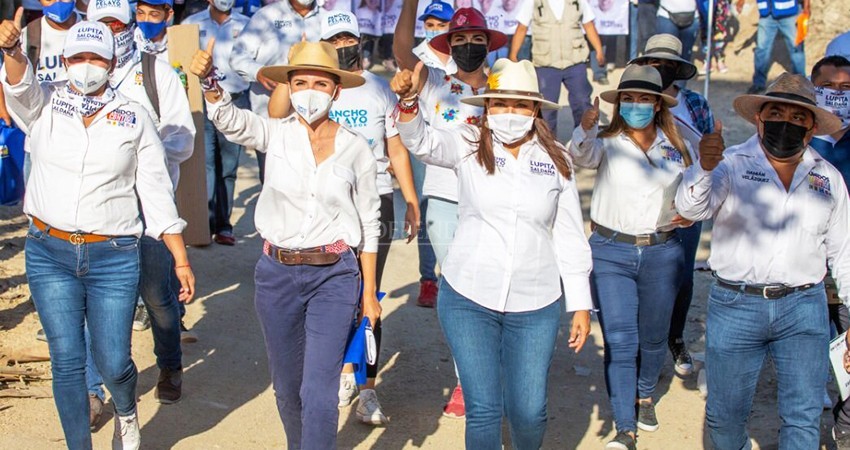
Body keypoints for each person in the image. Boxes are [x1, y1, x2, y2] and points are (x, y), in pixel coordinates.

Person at [0, 17, 196, 450]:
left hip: (113, 256)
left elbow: (156, 191)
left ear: (111, 63)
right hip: (49, 253)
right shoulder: (46, 104)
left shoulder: (134, 117)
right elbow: (19, 85)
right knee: (67, 361)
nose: (86, 65)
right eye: (78, 57)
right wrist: (12, 51)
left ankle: (125, 410)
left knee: (114, 362)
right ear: (65, 61)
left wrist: (180, 258)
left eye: (96, 58)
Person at [392, 57, 593, 450]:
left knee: (529, 412)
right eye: (500, 103)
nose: (509, 112)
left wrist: (580, 304)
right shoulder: (467, 143)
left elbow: (570, 235)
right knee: (483, 408)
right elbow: (422, 142)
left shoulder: (557, 159)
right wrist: (410, 104)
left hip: (535, 303)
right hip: (468, 297)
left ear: (535, 109)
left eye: (520, 104)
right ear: (486, 106)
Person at [190, 40, 381, 449]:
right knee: (287, 388)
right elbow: (230, 120)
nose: (310, 91)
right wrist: (209, 82)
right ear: (289, 89)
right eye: (300, 83)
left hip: (334, 276)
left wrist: (369, 294)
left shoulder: (356, 149)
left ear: (336, 91)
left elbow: (369, 222)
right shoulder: (274, 134)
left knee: (319, 391)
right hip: (276, 275)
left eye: (320, 83)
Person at [676, 72, 850, 450]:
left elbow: (844, 254)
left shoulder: (828, 178)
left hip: (804, 308)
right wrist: (703, 167)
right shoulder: (730, 164)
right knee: (724, 418)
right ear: (759, 118)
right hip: (736, 305)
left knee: (803, 416)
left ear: (811, 129)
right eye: (776, 113)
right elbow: (690, 209)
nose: (786, 123)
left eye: (798, 117)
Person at [267, 9, 421, 426]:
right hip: (326, 202)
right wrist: (294, 67)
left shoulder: (378, 89)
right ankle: (340, 374)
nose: (343, 46)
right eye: (334, 41)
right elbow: (275, 112)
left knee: (368, 295)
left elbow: (395, 147)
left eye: (348, 39)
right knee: (336, 295)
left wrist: (410, 199)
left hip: (375, 199)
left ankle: (367, 388)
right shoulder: (309, 89)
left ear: (359, 41)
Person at [570, 64, 693, 450]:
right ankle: (625, 427)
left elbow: (699, 190)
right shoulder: (606, 140)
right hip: (610, 252)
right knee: (621, 340)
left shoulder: (677, 145)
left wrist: (693, 212)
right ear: (619, 102)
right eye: (628, 98)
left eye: (644, 99)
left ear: (658, 104)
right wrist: (585, 128)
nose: (635, 104)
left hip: (662, 252)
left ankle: (644, 395)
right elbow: (580, 157)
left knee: (654, 337)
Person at [394, 5, 508, 419]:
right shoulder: (435, 82)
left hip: (494, 203)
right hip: (444, 203)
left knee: (495, 288)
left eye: (477, 39)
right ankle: (468, 379)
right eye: (459, 39)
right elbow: (402, 50)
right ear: (448, 45)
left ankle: (499, 369)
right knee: (461, 291)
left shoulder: (503, 87)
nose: (469, 46)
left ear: (488, 43)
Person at [84, 0, 196, 414]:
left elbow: (183, 139)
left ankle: (169, 365)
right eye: (102, 25)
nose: (111, 33)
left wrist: (140, 153)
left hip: (149, 212)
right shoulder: (80, 76)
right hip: (99, 208)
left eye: (117, 25)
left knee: (157, 297)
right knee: (97, 301)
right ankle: (94, 388)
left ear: (129, 26)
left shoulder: (156, 73)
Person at [630, 33, 714, 378]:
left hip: (685, 203)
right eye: (654, 62)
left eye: (668, 64)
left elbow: (708, 153)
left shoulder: (694, 104)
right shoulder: (633, 99)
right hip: (642, 202)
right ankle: (642, 346)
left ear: (679, 69)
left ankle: (675, 337)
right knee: (643, 273)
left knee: (682, 276)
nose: (661, 68)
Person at [229, 0, 321, 184]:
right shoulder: (265, 17)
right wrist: (259, 72)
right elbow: (238, 56)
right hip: (270, 122)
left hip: (315, 122)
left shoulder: (326, 18)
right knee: (274, 184)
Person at [183, 0, 251, 246]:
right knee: (207, 164)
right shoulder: (191, 24)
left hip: (236, 101)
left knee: (229, 168)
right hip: (203, 103)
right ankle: (205, 224)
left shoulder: (249, 25)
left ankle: (224, 226)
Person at [809, 55, 850, 449]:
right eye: (829, 87)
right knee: (813, 339)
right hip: (807, 266)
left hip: (848, 265)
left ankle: (845, 425)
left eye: (847, 88)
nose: (838, 95)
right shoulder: (797, 141)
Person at [509, 0, 605, 137]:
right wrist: (513, 55)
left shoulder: (578, 1)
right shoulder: (533, 2)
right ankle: (548, 144)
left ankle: (585, 142)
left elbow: (588, 26)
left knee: (582, 102)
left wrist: (599, 50)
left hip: (575, 61)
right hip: (546, 64)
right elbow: (521, 28)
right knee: (546, 109)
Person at [736, 0, 809, 94]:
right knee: (762, 49)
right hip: (766, 14)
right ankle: (758, 83)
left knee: (796, 48)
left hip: (789, 14)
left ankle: (801, 84)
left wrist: (806, 7)